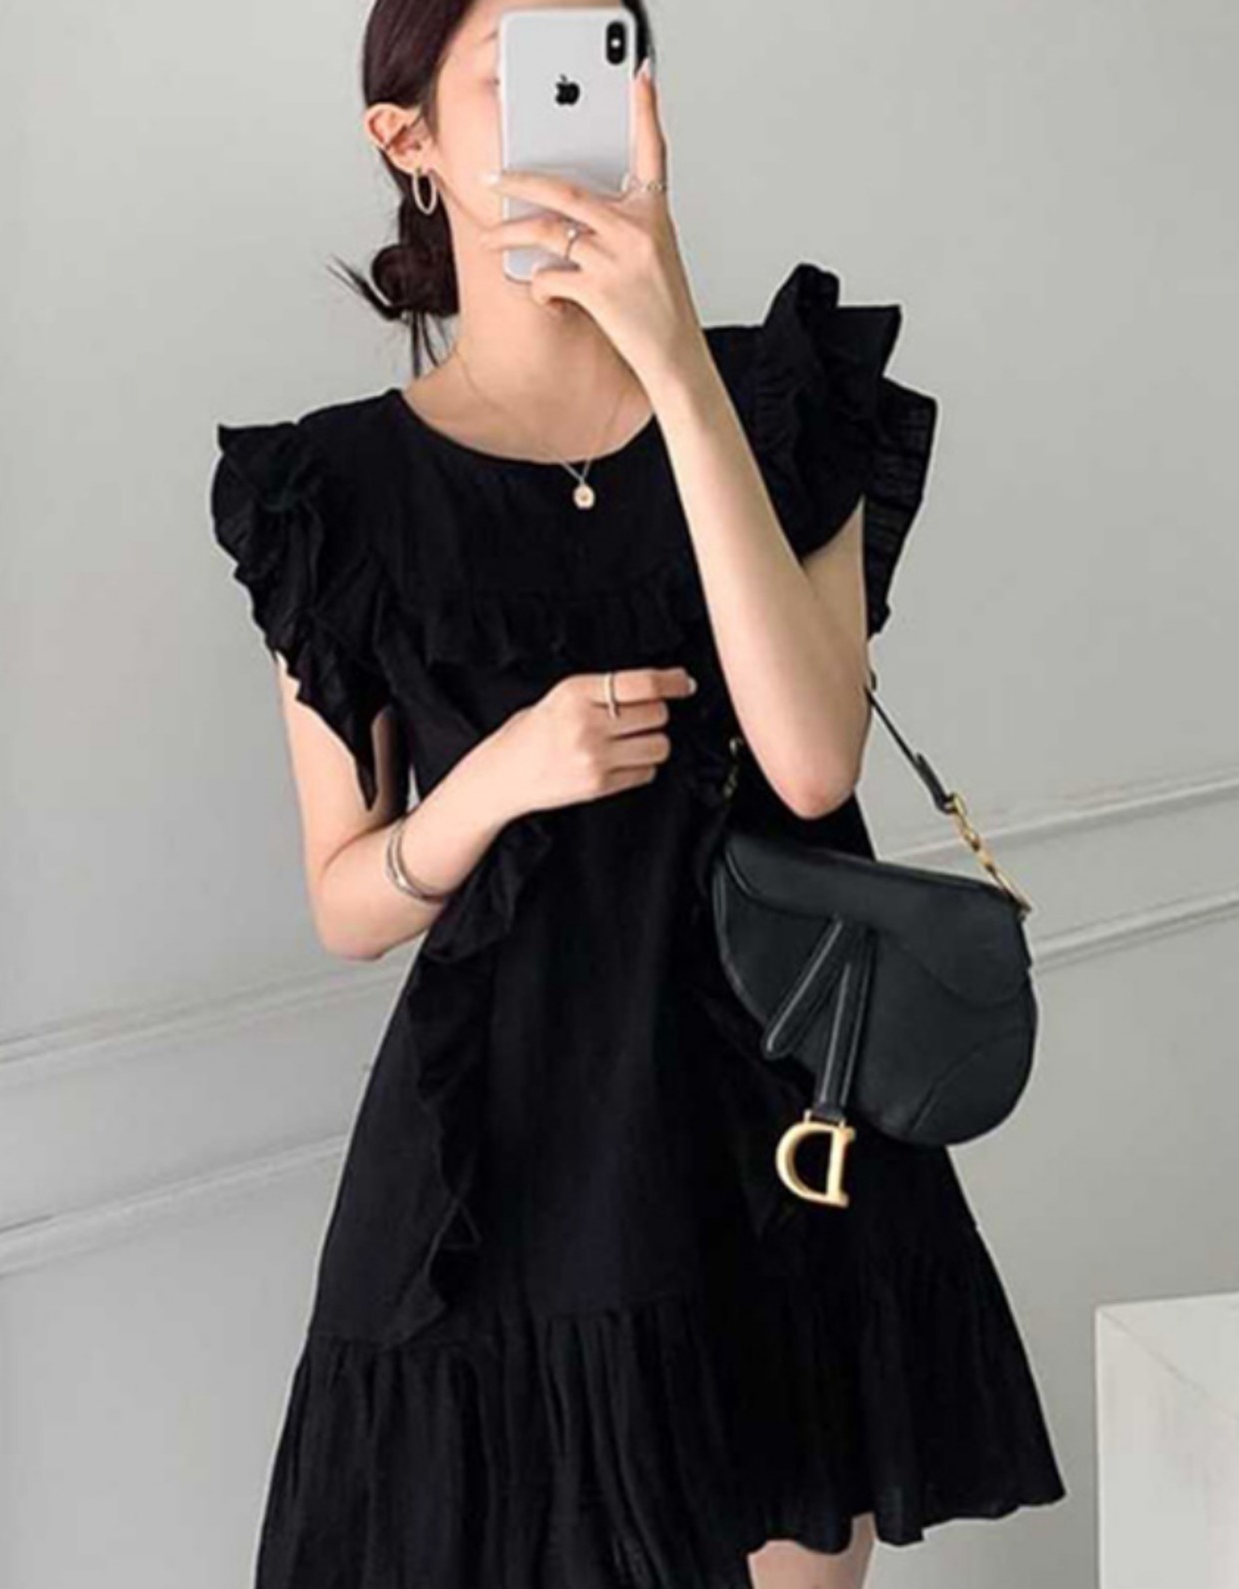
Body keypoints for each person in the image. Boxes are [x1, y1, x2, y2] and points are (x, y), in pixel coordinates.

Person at [208, 2, 1067, 1585]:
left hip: (782, 1134)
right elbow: (346, 896)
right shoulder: (336, 494)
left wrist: (676, 357)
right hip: (516, 1165)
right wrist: (495, 784)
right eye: (514, 75)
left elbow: (811, 758)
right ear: (406, 137)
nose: (577, 109)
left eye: (604, 58)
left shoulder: (780, 401)